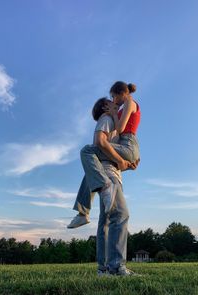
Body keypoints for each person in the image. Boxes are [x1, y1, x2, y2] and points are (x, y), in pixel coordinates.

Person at [69, 97, 135, 276]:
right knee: (121, 215)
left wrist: (126, 164)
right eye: (112, 102)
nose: (117, 104)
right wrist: (121, 160)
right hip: (108, 177)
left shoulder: (112, 124)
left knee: (105, 221)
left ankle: (103, 268)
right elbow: (99, 142)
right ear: (106, 107)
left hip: (110, 173)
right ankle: (117, 267)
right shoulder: (106, 120)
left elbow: (108, 157)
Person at [68, 81, 140, 228]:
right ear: (104, 108)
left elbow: (117, 132)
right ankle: (83, 212)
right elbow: (116, 140)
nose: (113, 101)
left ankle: (85, 210)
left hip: (126, 150)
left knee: (87, 151)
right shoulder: (109, 119)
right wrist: (125, 163)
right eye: (111, 99)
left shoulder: (127, 104)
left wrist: (113, 113)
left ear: (121, 93)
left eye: (113, 97)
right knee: (92, 168)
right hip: (123, 156)